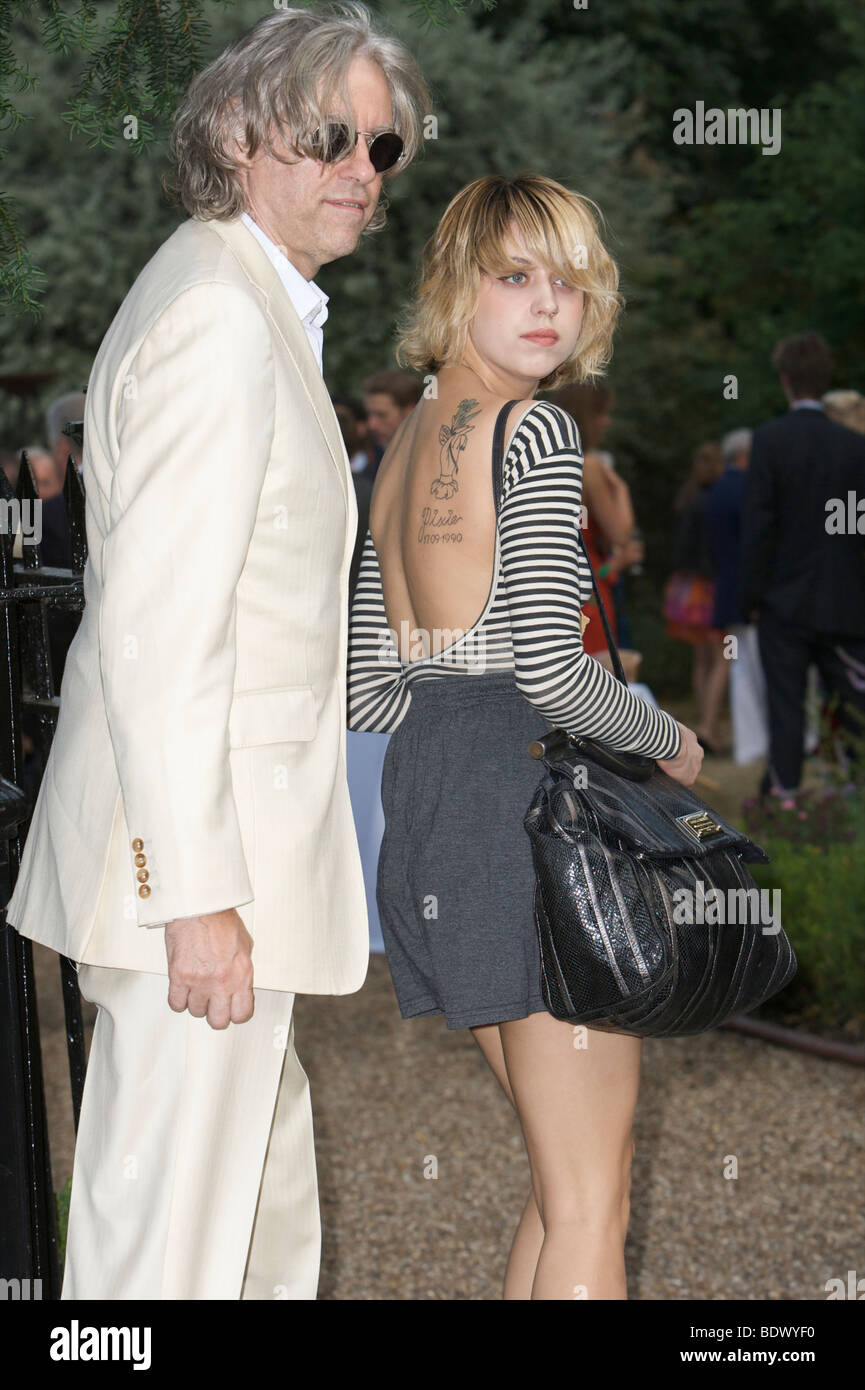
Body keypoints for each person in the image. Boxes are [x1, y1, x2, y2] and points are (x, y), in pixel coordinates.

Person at [5, 2, 430, 1300]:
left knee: (247, 1228)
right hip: (195, 880)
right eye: (330, 136)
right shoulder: (218, 322)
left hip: (217, 874)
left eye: (384, 145)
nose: (362, 166)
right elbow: (159, 636)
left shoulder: (242, 300)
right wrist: (197, 898)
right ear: (241, 135)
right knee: (167, 1261)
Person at [347, 173, 702, 1301]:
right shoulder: (530, 428)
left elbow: (369, 689)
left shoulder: (400, 450)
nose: (548, 306)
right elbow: (551, 667)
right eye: (515, 277)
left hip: (436, 810)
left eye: (569, 282)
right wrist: (670, 741)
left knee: (564, 1186)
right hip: (526, 820)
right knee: (593, 1194)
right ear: (456, 287)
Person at [741, 332, 865, 797]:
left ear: (785, 380)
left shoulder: (769, 441)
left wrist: (751, 597)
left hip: (784, 600)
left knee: (786, 704)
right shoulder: (855, 448)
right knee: (853, 702)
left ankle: (785, 793)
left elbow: (759, 526)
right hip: (846, 597)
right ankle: (856, 788)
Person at [704, 428, 770, 765]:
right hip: (748, 591)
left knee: (740, 666)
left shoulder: (718, 488)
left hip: (727, 589)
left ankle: (749, 744)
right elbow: (756, 545)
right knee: (757, 665)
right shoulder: (746, 488)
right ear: (746, 454)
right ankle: (760, 742)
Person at [663, 442, 727, 753]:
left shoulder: (687, 497)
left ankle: (705, 721)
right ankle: (709, 725)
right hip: (710, 586)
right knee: (722, 658)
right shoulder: (716, 499)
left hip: (685, 587)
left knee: (701, 659)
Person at [362, 367, 424, 478]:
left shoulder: (424, 461)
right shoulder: (373, 457)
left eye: (381, 415)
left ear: (410, 411)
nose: (371, 425)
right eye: (369, 414)